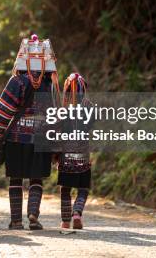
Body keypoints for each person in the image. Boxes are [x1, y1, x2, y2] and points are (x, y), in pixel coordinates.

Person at [0, 35, 60, 230]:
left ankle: (16, 220)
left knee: (16, 178)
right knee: (36, 178)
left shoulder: (17, 82)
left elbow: (3, 111)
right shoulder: (50, 85)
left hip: (16, 139)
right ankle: (33, 214)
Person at [57, 73, 92, 229]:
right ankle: (77, 213)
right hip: (83, 154)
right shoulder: (89, 107)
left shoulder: (61, 109)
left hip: (65, 154)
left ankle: (65, 221)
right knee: (83, 187)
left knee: (65, 188)